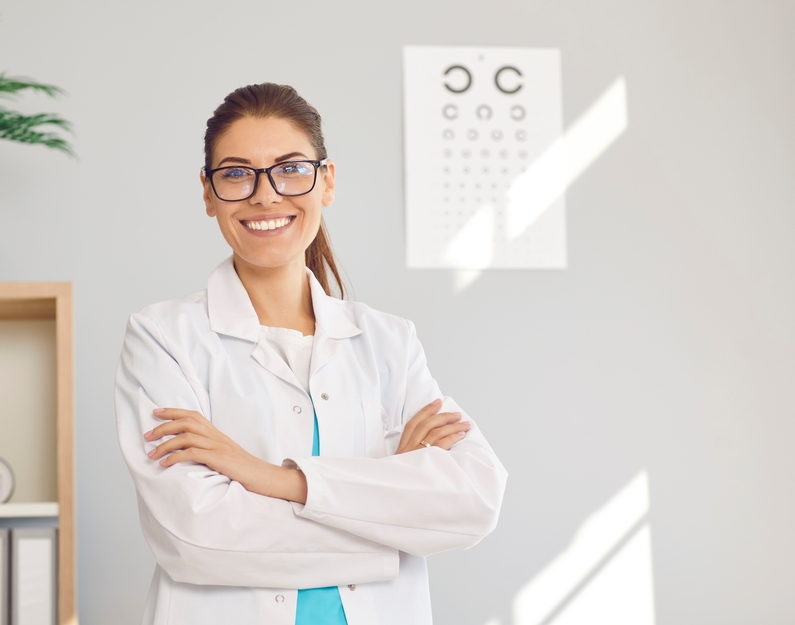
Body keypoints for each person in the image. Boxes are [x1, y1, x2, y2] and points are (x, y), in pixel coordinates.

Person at [115, 83, 507, 625]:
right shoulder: (164, 337)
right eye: (235, 173)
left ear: (326, 181)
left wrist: (267, 477)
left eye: (290, 168)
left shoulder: (389, 341)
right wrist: (391, 523)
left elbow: (471, 503)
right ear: (207, 194)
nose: (265, 194)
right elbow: (197, 536)